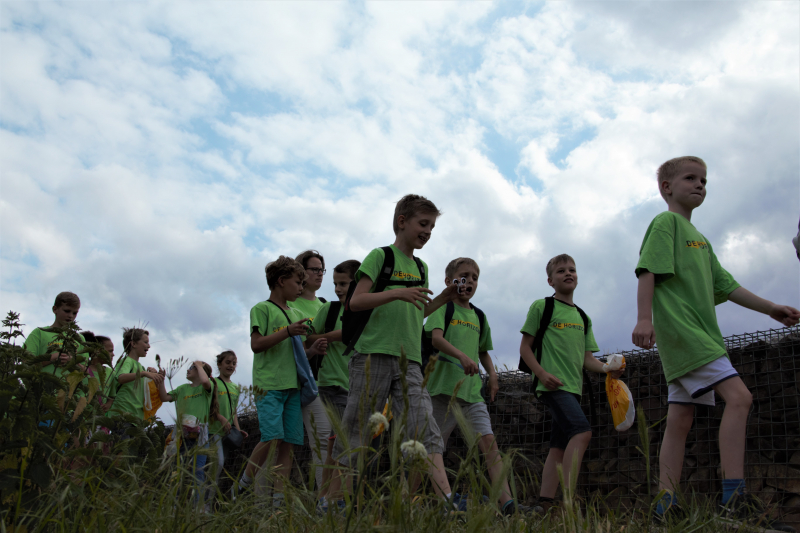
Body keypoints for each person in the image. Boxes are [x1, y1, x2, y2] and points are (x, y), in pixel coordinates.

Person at [632, 156, 800, 531]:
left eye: (704, 180)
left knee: (680, 418)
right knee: (740, 398)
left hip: (701, 335)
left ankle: (664, 506)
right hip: (685, 333)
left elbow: (727, 286)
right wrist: (644, 318)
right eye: (690, 178)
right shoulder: (666, 223)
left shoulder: (702, 241)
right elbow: (647, 271)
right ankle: (734, 500)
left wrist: (771, 308)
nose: (700, 185)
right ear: (667, 188)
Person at [325, 194, 461, 512]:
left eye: (432, 227)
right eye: (423, 224)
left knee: (424, 426)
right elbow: (355, 302)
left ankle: (446, 503)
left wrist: (442, 297)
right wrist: (397, 291)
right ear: (403, 221)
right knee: (357, 431)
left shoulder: (421, 266)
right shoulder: (380, 256)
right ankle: (333, 504)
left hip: (410, 359)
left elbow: (417, 310)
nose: (428, 231)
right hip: (372, 354)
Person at [425, 257, 535, 515]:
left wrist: (493, 375)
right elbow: (436, 339)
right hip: (441, 391)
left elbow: (483, 351)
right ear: (449, 281)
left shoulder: (479, 315)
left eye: (475, 276)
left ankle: (507, 504)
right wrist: (462, 356)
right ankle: (418, 500)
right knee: (431, 449)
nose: (470, 281)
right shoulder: (443, 307)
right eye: (464, 275)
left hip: (472, 393)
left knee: (489, 443)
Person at [519, 254, 622, 513]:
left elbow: (588, 359)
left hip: (574, 389)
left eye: (572, 270)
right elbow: (524, 348)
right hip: (552, 387)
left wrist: (609, 369)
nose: (568, 273)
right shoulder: (542, 307)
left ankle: (544, 505)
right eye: (561, 270)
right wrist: (541, 374)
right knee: (582, 432)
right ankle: (567, 503)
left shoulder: (583, 317)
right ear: (550, 280)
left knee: (558, 446)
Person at [234, 256, 326, 509]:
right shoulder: (261, 309)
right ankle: (241, 486)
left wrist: (313, 349)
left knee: (289, 444)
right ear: (281, 281)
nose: (300, 287)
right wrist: (287, 331)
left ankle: (278, 501)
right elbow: (256, 345)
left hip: (293, 387)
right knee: (272, 437)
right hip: (269, 386)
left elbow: (296, 354)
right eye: (297, 282)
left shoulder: (295, 312)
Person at [305, 259, 360, 511]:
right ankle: (333, 500)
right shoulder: (329, 311)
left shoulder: (365, 310)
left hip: (357, 387)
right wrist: (338, 334)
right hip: (330, 384)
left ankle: (331, 499)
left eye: (344, 284)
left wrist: (342, 334)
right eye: (335, 284)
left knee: (344, 446)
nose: (338, 289)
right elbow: (309, 337)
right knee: (339, 444)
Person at [289, 250, 332, 491]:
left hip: (331, 379)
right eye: (314, 269)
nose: (319, 274)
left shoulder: (325, 304)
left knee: (326, 442)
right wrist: (313, 349)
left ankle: (326, 499)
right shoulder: (290, 304)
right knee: (286, 443)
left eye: (321, 269)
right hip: (304, 381)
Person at [157, 360, 219, 508]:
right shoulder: (182, 388)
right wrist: (161, 381)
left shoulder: (206, 389)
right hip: (180, 435)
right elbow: (164, 397)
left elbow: (205, 380)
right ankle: (174, 507)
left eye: (192, 367)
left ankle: (197, 509)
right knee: (176, 472)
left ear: (200, 371)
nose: (188, 369)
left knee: (197, 472)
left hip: (199, 435)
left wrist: (198, 363)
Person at [209, 350, 248, 494]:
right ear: (219, 364)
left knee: (218, 467)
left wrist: (237, 430)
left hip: (227, 433)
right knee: (216, 465)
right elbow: (209, 406)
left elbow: (234, 412)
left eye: (233, 363)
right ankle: (204, 503)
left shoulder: (235, 388)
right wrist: (219, 417)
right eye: (227, 362)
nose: (231, 366)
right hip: (214, 430)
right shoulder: (213, 383)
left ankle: (207, 502)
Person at [24, 291, 86, 380]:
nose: (70, 316)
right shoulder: (39, 333)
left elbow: (87, 371)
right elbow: (27, 363)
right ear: (55, 309)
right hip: (40, 389)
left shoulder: (79, 339)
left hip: (68, 391)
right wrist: (54, 357)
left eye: (74, 313)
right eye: (67, 311)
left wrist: (73, 362)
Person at [107, 328, 164, 422]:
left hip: (136, 416)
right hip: (122, 414)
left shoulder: (141, 367)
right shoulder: (127, 361)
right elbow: (121, 378)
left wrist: (156, 376)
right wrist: (144, 373)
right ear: (133, 344)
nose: (149, 346)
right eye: (145, 342)